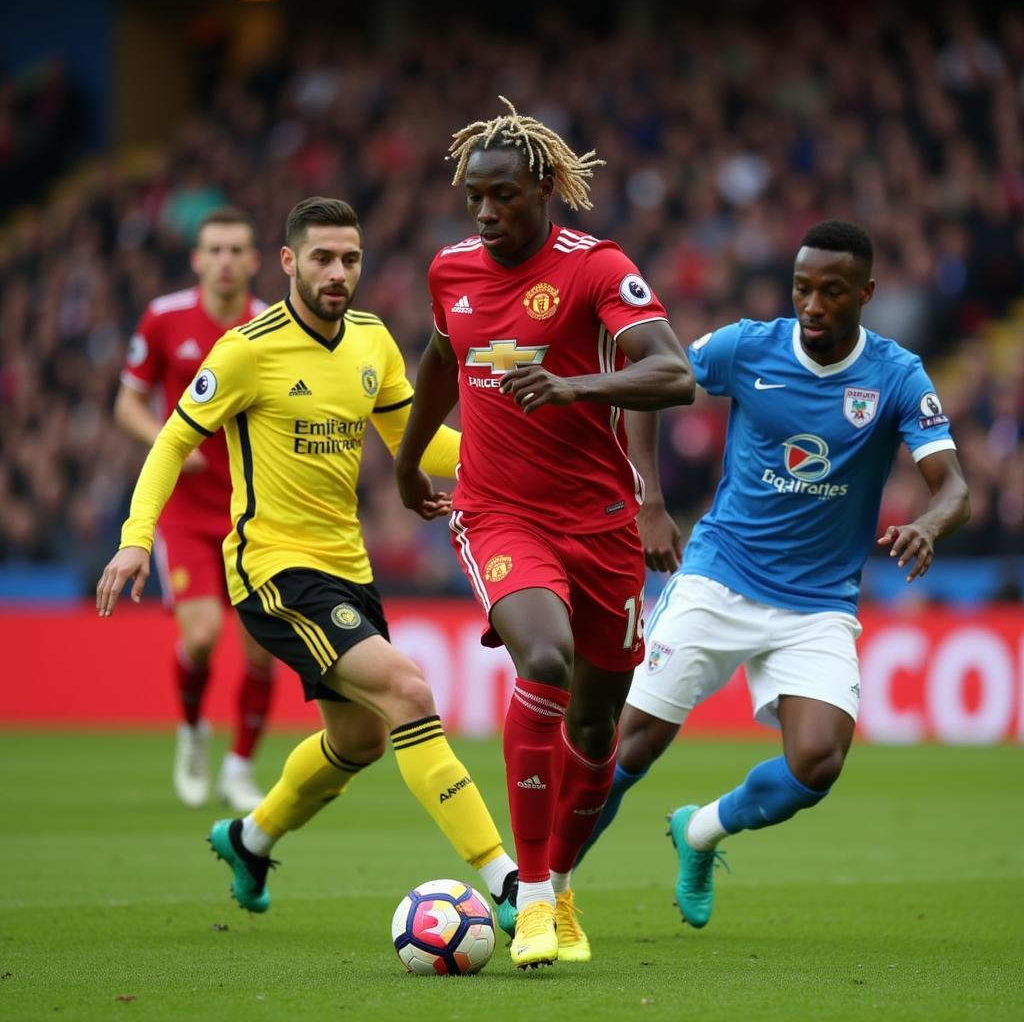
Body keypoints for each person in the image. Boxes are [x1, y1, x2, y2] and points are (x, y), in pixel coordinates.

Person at [96, 196, 520, 935]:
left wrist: (515, 460)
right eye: (322, 258)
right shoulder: (246, 349)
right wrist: (138, 536)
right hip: (273, 569)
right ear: (289, 262)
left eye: (350, 259)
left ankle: (250, 838)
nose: (338, 272)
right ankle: (507, 880)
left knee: (360, 738)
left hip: (347, 568)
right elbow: (168, 440)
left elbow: (413, 442)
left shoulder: (370, 340)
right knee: (411, 692)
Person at [574, 220, 970, 930]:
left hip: (816, 604)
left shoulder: (896, 375)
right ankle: (544, 893)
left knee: (816, 764)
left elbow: (955, 489)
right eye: (802, 288)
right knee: (628, 742)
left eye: (831, 291)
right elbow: (650, 383)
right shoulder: (746, 346)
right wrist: (651, 503)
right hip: (719, 576)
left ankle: (700, 831)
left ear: (866, 294)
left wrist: (926, 526)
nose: (812, 305)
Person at [394, 98, 695, 968]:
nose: (486, 214)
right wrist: (413, 460)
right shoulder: (450, 270)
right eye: (474, 199)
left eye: (503, 197)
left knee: (597, 728)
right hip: (497, 510)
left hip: (599, 524)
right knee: (546, 661)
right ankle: (528, 898)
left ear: (545, 191)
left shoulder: (597, 268)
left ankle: (562, 884)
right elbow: (442, 356)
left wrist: (573, 391)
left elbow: (671, 372)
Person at [115, 207, 274, 813]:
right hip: (184, 511)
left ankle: (239, 767)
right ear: (197, 259)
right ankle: (191, 731)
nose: (226, 260)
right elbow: (126, 404)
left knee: (260, 648)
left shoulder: (270, 327)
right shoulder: (163, 318)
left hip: (252, 511)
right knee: (204, 638)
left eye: (238, 250)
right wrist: (170, 441)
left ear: (256, 261)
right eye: (216, 249)